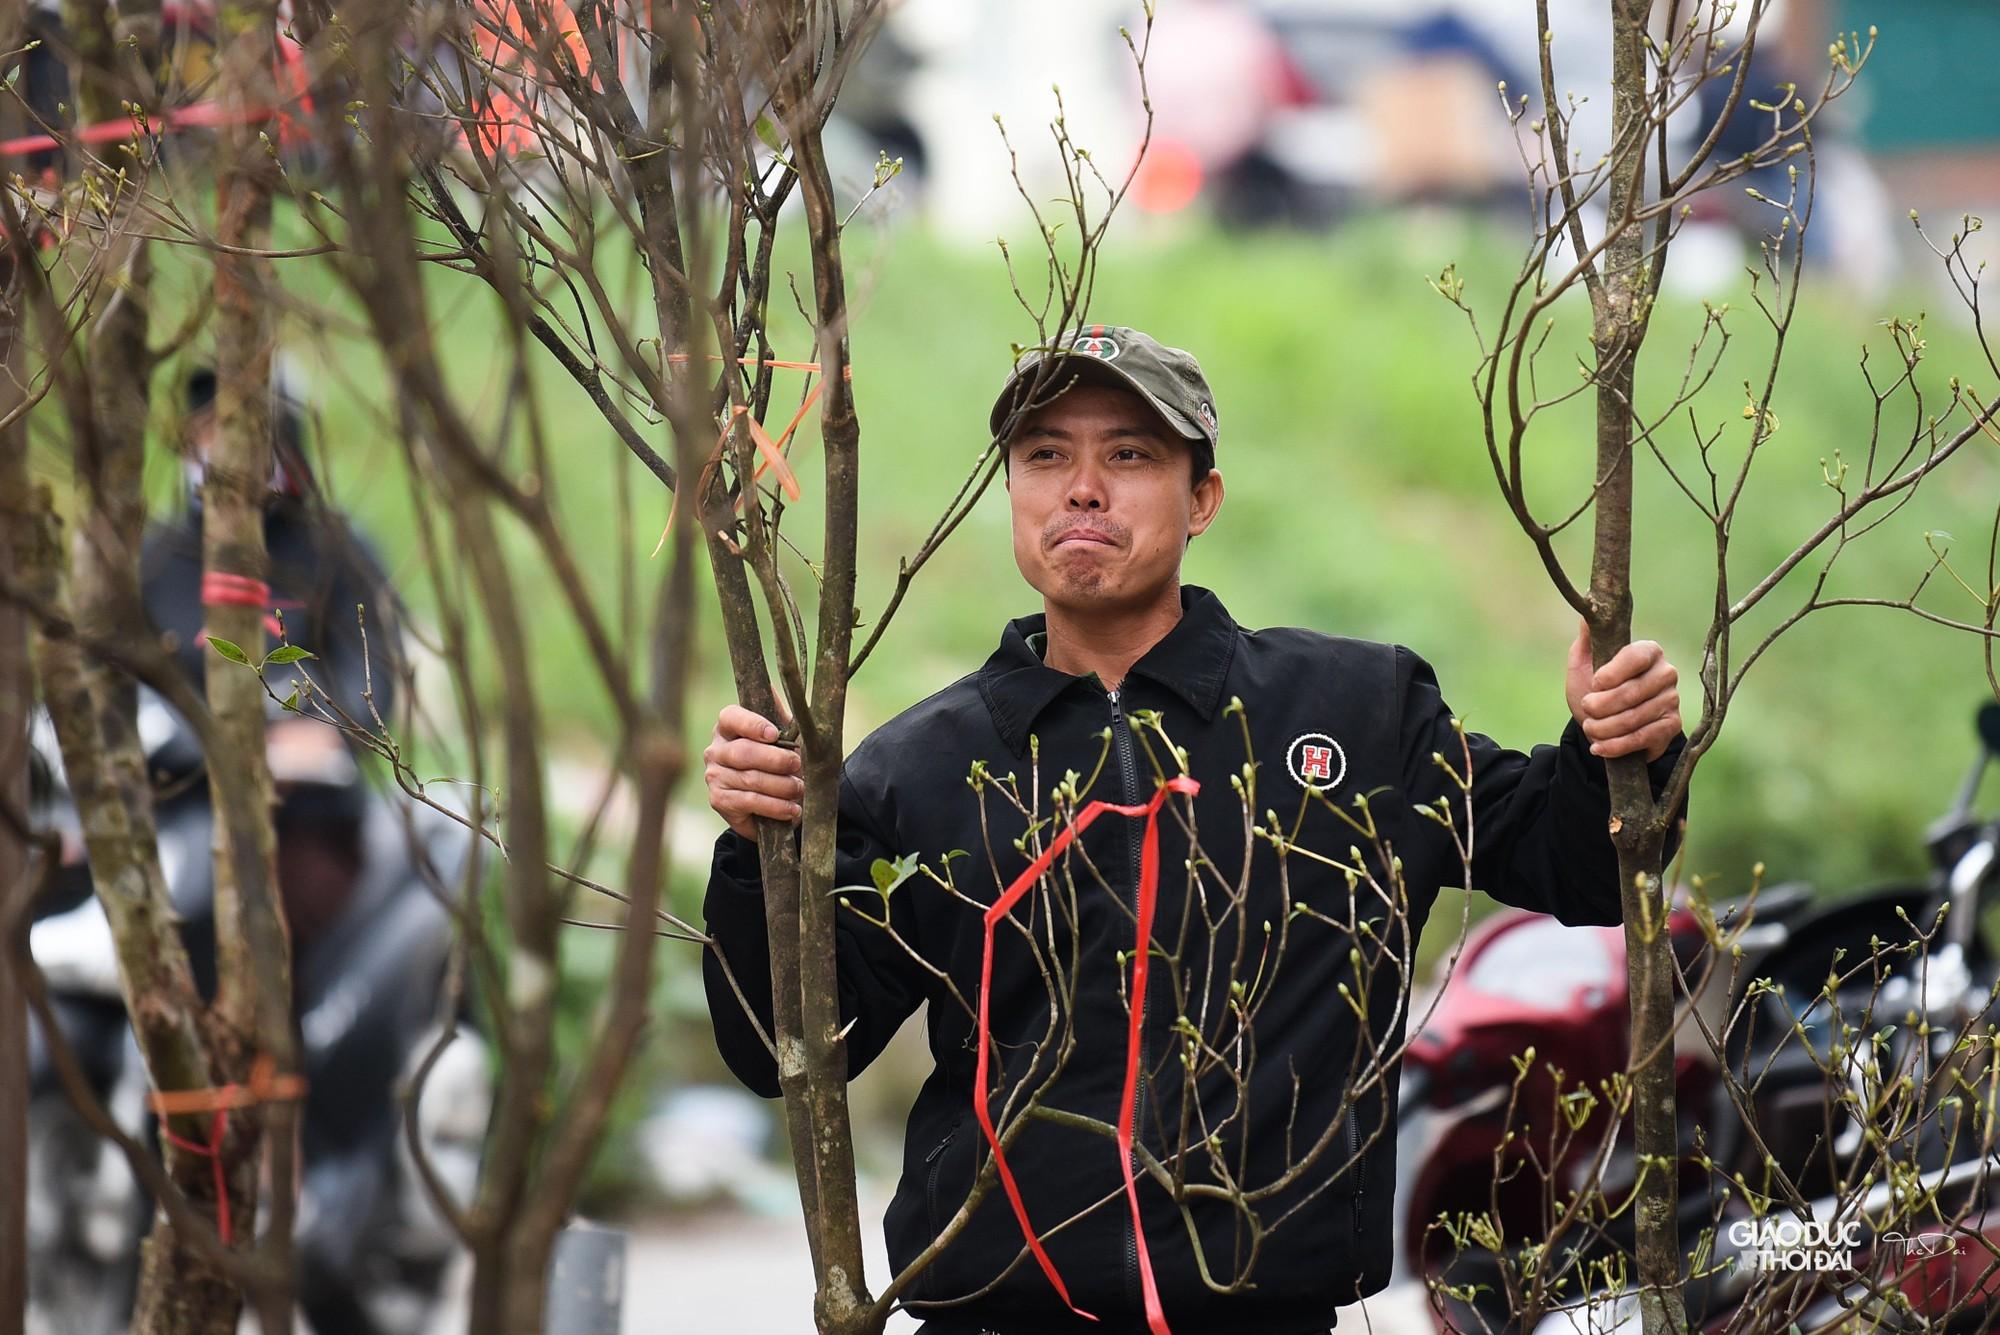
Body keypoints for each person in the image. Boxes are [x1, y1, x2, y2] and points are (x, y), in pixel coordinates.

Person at [700, 326, 1689, 1335]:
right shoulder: (918, 768)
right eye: (1045, 456)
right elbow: (782, 1044)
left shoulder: (1354, 711)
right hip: (994, 1317)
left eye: (1127, 455)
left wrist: (1617, 748)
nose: (1082, 487)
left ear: (1201, 498)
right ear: (1011, 493)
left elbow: (1582, 870)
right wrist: (752, 852)